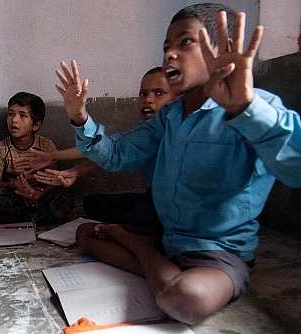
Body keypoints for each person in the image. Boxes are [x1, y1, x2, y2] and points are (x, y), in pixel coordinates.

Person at [54, 3, 301, 325]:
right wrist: (79, 117)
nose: (170, 54)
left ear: (219, 49)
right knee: (86, 233)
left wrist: (244, 108)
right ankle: (158, 266)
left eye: (184, 42)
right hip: (168, 240)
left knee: (185, 300)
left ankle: (145, 257)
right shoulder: (169, 117)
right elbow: (117, 155)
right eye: (166, 47)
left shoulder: (257, 106)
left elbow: (295, 170)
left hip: (217, 254)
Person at [18, 67, 178, 236]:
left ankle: (135, 231)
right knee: (92, 203)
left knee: (145, 215)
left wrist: (80, 118)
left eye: (159, 93)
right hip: (151, 199)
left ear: (178, 99)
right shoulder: (145, 133)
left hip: (173, 208)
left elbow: (111, 152)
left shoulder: (177, 131)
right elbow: (109, 150)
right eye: (143, 94)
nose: (148, 100)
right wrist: (63, 163)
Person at [0, 92, 75, 226]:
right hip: (14, 197)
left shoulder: (45, 145)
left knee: (65, 200)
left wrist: (38, 194)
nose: (14, 120)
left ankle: (10, 218)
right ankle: (32, 217)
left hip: (39, 197)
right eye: (11, 114)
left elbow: (54, 180)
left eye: (22, 115)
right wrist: (14, 185)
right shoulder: (0, 148)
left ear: (35, 125)